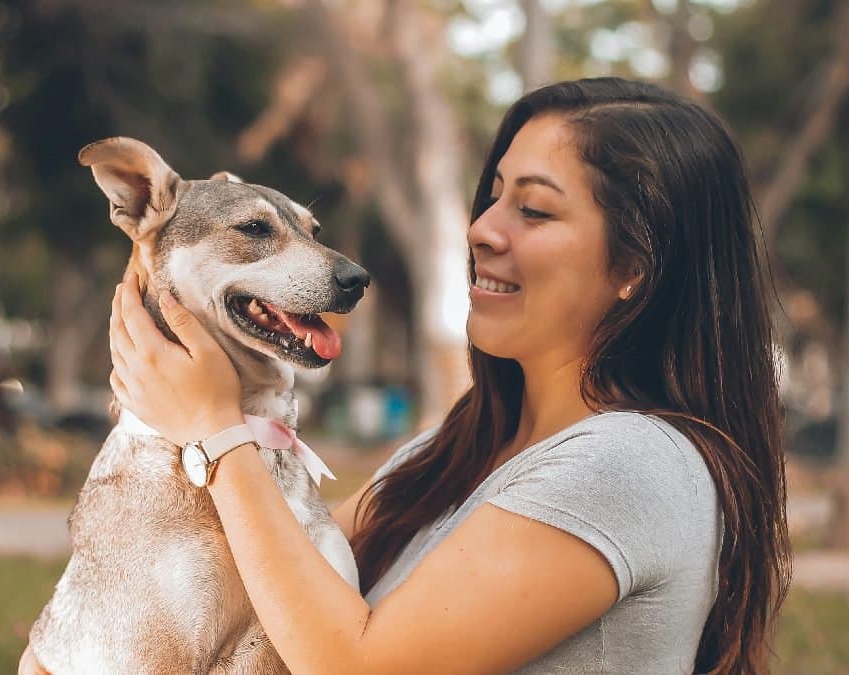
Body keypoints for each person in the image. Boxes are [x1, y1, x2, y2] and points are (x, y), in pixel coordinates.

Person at [78, 77, 789, 674]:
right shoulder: (445, 453)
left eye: (534, 209)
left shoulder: (630, 465)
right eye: (496, 195)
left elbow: (353, 666)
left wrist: (214, 429)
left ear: (634, 266)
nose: (482, 228)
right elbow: (261, 587)